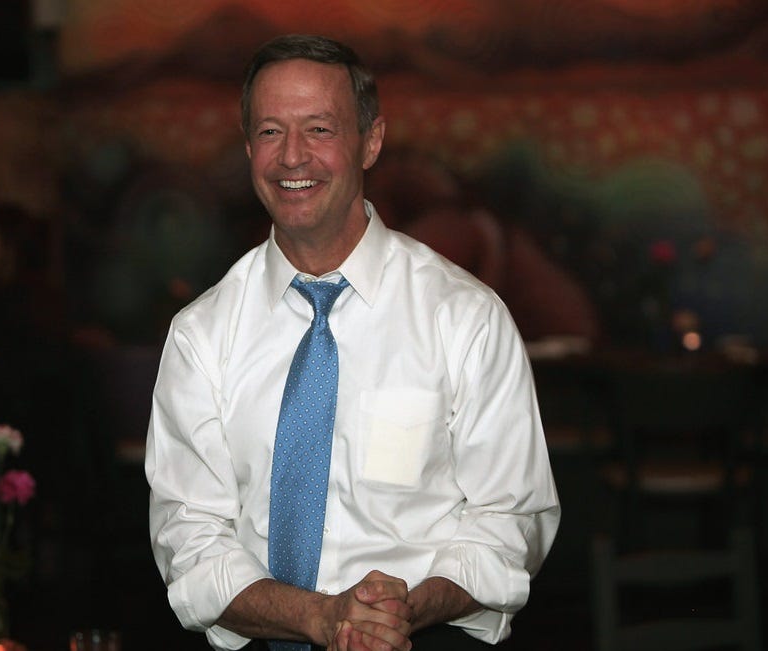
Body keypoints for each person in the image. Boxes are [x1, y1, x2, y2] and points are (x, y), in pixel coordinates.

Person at [145, 34, 560, 651]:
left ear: (371, 141)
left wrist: (401, 611)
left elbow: (510, 521)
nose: (292, 157)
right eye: (268, 132)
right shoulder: (202, 335)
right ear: (247, 148)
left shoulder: (463, 317)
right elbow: (190, 536)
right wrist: (319, 617)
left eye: (319, 129)